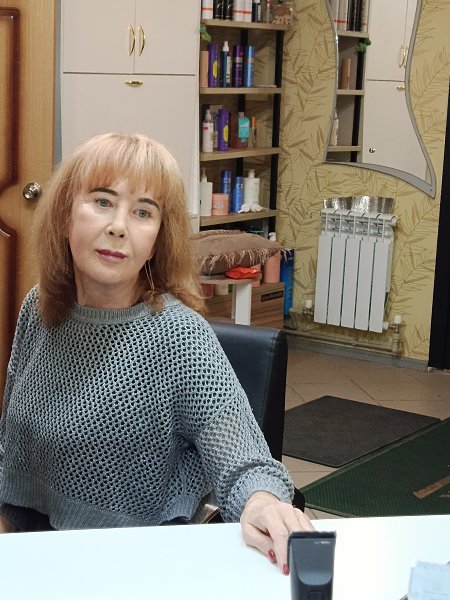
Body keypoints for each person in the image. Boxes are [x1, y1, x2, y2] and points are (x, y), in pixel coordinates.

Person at [0, 132, 313, 573]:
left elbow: (243, 459)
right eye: (103, 201)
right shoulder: (41, 307)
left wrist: (263, 503)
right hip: (33, 549)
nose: (119, 227)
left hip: (132, 564)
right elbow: (11, 443)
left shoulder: (178, 337)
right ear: (65, 213)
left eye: (143, 212)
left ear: (156, 240)